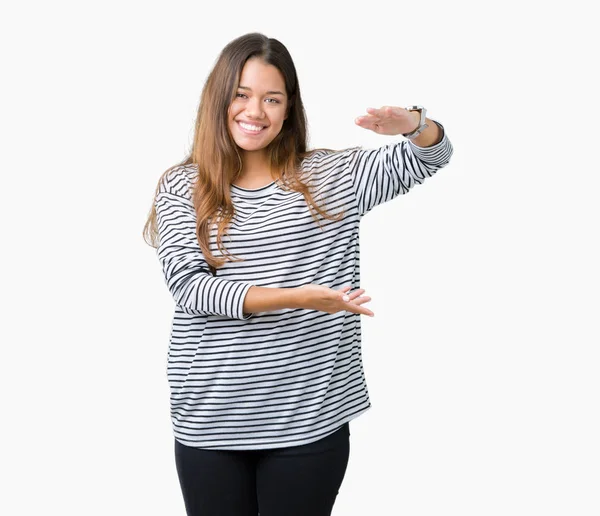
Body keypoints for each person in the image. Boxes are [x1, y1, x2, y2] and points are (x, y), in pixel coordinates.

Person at [144, 32, 453, 516]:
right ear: (218, 99)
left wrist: (414, 123)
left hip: (310, 419)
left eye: (272, 99)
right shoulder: (184, 185)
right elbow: (190, 288)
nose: (255, 111)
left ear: (289, 110)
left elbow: (432, 156)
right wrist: (299, 297)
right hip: (210, 419)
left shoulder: (332, 178)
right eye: (241, 95)